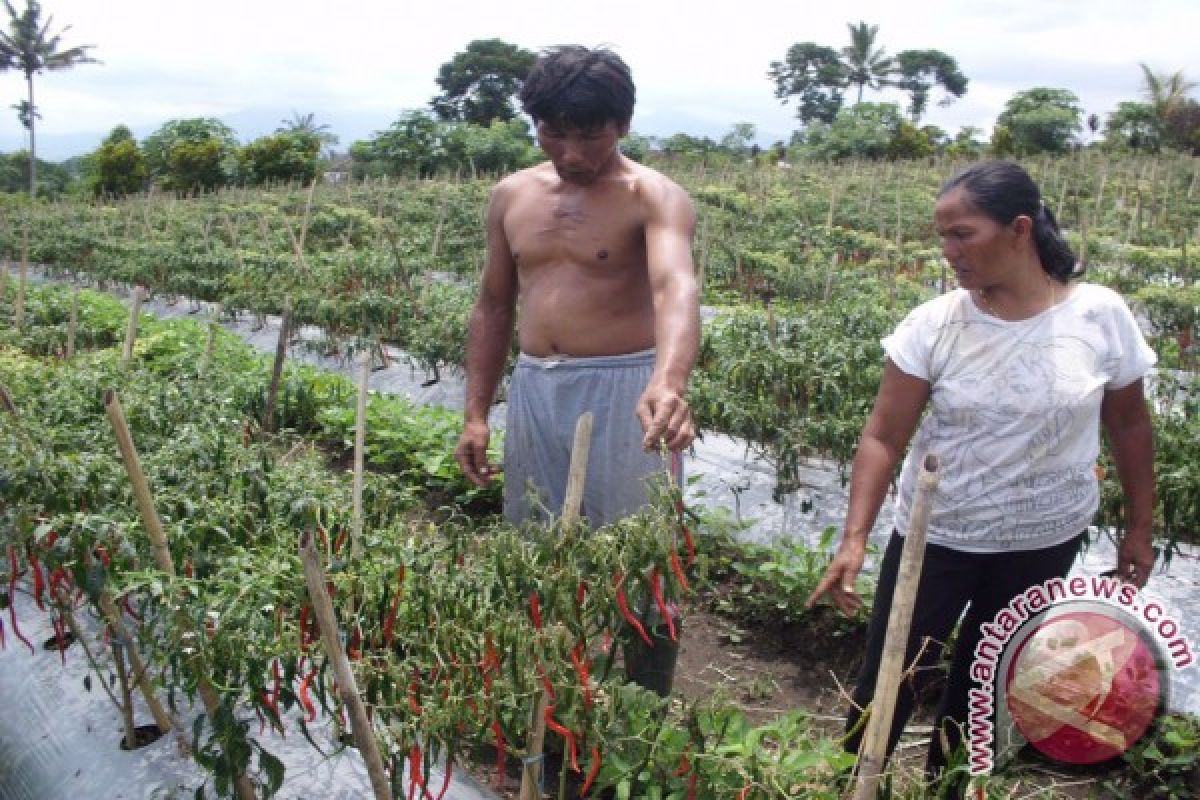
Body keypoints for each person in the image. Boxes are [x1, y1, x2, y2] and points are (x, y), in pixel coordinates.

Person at [806, 161, 1157, 789]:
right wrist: (855, 538)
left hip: (1041, 541)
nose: (949, 252)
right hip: (935, 536)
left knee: (984, 680)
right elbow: (883, 437)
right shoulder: (936, 323)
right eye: (942, 236)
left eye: (962, 234)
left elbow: (1130, 425)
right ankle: (854, 786)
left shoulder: (1099, 315)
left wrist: (1138, 527)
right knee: (893, 676)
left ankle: (951, 786)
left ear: (1019, 229)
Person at [453, 45, 701, 694]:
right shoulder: (511, 195)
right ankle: (546, 699)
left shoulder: (653, 196)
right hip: (537, 385)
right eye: (553, 132)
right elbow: (494, 303)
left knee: (644, 558)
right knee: (536, 547)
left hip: (627, 387)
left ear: (621, 124)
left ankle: (642, 712)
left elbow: (677, 288)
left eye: (588, 133)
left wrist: (668, 381)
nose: (572, 152)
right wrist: (477, 412)